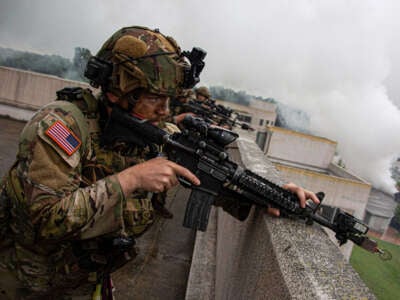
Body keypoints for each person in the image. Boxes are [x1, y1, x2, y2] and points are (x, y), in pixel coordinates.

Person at [0, 26, 319, 299]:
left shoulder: (150, 134)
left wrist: (273, 195)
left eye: (170, 100)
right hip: (21, 285)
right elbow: (45, 219)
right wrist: (132, 180)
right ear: (119, 91)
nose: (165, 111)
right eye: (155, 98)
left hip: (80, 283)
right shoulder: (61, 127)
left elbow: (207, 178)